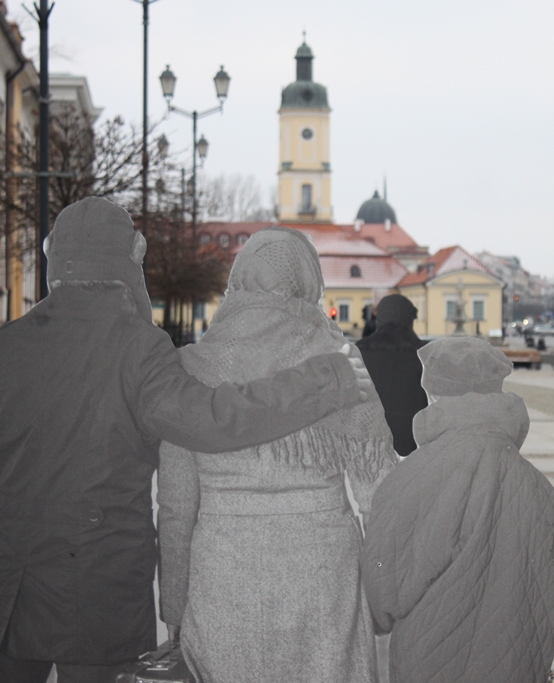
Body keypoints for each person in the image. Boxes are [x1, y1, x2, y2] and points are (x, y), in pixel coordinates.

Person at [0, 199, 373, 683]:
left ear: (54, 260)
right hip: (98, 591)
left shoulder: (0, 350)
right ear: (128, 261)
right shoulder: (139, 348)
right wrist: (323, 380)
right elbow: (211, 420)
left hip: (11, 593)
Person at [157, 228, 398, 683]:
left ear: (240, 278)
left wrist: (174, 604)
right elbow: (379, 493)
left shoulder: (191, 366)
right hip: (322, 567)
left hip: (224, 570)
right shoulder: (339, 359)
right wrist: (384, 591)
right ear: (308, 281)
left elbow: (175, 506)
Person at [361, 337, 554, 683]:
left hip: (429, 664)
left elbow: (381, 596)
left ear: (434, 394)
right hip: (518, 666)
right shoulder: (539, 488)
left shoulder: (414, 478)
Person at [356, 294, 429, 457]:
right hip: (413, 450)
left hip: (366, 450)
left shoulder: (358, 353)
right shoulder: (427, 356)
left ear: (379, 319)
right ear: (411, 319)